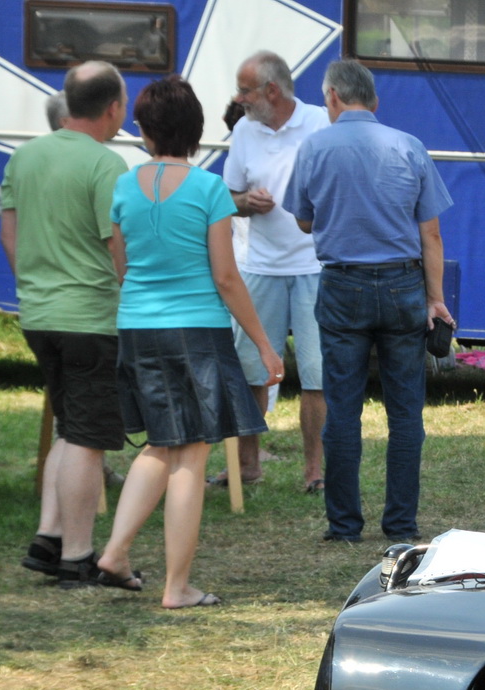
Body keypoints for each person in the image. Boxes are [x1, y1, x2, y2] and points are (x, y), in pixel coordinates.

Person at [94, 76, 282, 610]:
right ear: (196, 130)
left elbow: (121, 265)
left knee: (160, 443)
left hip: (137, 327)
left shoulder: (125, 187)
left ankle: (115, 552)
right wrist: (266, 346)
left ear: (146, 131)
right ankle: (177, 587)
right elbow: (226, 277)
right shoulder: (208, 189)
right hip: (196, 330)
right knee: (191, 456)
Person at [286, 58, 454, 543]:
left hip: (341, 286)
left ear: (334, 96)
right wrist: (435, 299)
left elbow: (302, 219)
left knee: (342, 409)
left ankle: (344, 524)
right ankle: (400, 523)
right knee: (405, 413)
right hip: (403, 288)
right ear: (374, 101)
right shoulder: (409, 146)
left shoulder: (314, 146)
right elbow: (432, 234)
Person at [0, 61, 129, 585]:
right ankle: (78, 554)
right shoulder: (107, 165)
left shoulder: (23, 156)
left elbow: (10, 233)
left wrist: (36, 283)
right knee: (88, 437)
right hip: (92, 316)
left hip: (38, 313)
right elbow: (118, 248)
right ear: (113, 108)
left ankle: (49, 536)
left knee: (69, 425)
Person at [219, 49, 328, 494]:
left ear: (272, 91)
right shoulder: (244, 131)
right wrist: (246, 203)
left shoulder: (323, 122)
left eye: (245, 90)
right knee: (251, 372)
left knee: (317, 375)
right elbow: (225, 198)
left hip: (314, 266)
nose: (238, 99)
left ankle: (315, 473)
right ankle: (246, 467)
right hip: (259, 267)